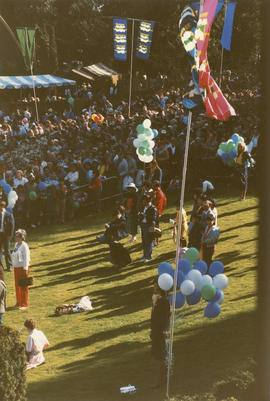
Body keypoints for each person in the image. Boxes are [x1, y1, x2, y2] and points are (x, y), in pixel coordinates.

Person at [150, 277, 170, 388]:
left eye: (155, 285)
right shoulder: (157, 299)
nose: (154, 287)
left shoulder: (163, 301)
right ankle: (162, 377)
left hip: (160, 332)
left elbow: (166, 317)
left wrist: (164, 329)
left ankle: (161, 379)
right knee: (158, 355)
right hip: (156, 331)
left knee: (160, 356)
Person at [12, 229, 30, 309]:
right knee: (17, 286)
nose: (16, 238)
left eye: (18, 236)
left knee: (23, 286)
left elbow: (26, 258)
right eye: (16, 236)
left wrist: (25, 269)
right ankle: (18, 302)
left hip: (23, 268)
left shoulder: (24, 246)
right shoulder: (16, 244)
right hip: (16, 268)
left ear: (22, 237)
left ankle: (24, 304)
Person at [138, 194, 158, 262]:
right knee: (144, 241)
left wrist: (145, 215)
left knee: (148, 241)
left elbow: (154, 218)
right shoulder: (144, 207)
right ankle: (145, 255)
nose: (143, 202)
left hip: (149, 226)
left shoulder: (153, 208)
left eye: (144, 201)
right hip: (143, 225)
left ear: (147, 201)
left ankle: (148, 257)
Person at [0, 201, 15, 272]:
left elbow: (12, 225)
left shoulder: (9, 214)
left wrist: (10, 235)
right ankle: (1, 267)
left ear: (3, 206)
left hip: (6, 234)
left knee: (7, 250)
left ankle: (9, 266)